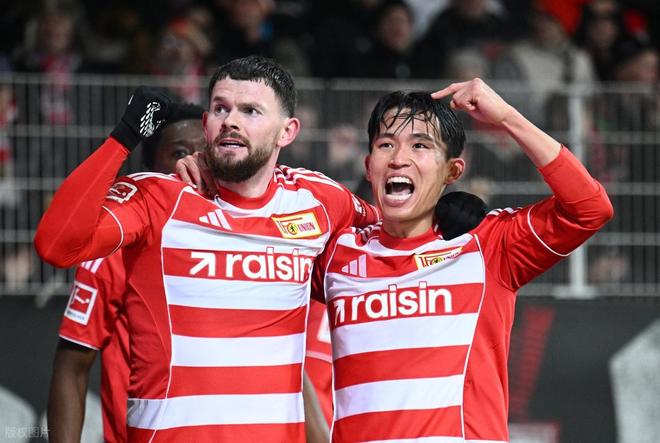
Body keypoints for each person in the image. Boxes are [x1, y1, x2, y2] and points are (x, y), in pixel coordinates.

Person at [34, 55, 380, 442]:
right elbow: (56, 246)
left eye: (250, 110)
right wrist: (123, 138)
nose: (230, 120)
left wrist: (441, 195)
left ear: (287, 131)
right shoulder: (156, 198)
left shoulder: (319, 199)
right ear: (206, 123)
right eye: (220, 108)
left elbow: (397, 234)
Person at [312, 78, 613, 442]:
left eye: (420, 145)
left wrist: (507, 118)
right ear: (368, 165)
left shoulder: (488, 245)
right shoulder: (337, 255)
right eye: (385, 144)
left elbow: (588, 209)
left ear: (452, 171)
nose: (398, 158)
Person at [47, 103, 206, 443]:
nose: (193, 161)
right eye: (179, 152)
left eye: (204, 151)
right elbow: (72, 366)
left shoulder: (240, 238)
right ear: (151, 168)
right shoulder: (115, 249)